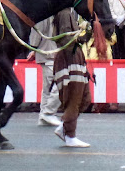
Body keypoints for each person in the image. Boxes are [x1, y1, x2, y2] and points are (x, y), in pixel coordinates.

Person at [52, 9, 91, 148]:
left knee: (85, 98)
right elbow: (65, 38)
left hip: (75, 56)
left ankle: (65, 127)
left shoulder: (70, 12)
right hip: (69, 58)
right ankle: (69, 133)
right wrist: (81, 37)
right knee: (74, 98)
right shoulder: (63, 13)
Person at [27, 17, 62, 127]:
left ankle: (44, 114)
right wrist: (34, 48)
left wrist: (34, 48)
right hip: (49, 52)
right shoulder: (49, 12)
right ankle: (48, 113)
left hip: (48, 52)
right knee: (59, 83)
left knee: (48, 86)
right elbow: (38, 29)